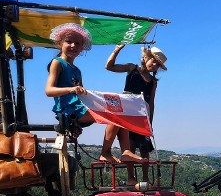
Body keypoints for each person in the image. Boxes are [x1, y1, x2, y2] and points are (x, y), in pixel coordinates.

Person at [45, 23, 142, 164]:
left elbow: (84, 95)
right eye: (69, 42)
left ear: (81, 48)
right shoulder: (57, 62)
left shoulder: (77, 70)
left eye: (77, 43)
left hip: (79, 106)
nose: (73, 46)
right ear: (60, 43)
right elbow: (49, 91)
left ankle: (126, 151)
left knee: (120, 113)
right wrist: (71, 89)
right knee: (114, 116)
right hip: (69, 109)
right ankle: (105, 153)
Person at [105, 44, 167, 182]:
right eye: (153, 60)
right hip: (127, 114)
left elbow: (151, 102)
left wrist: (150, 122)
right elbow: (109, 67)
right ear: (145, 58)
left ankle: (145, 179)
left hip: (141, 115)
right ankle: (131, 178)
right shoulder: (132, 68)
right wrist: (117, 50)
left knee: (144, 148)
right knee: (130, 146)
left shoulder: (153, 81)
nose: (155, 64)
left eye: (158, 64)